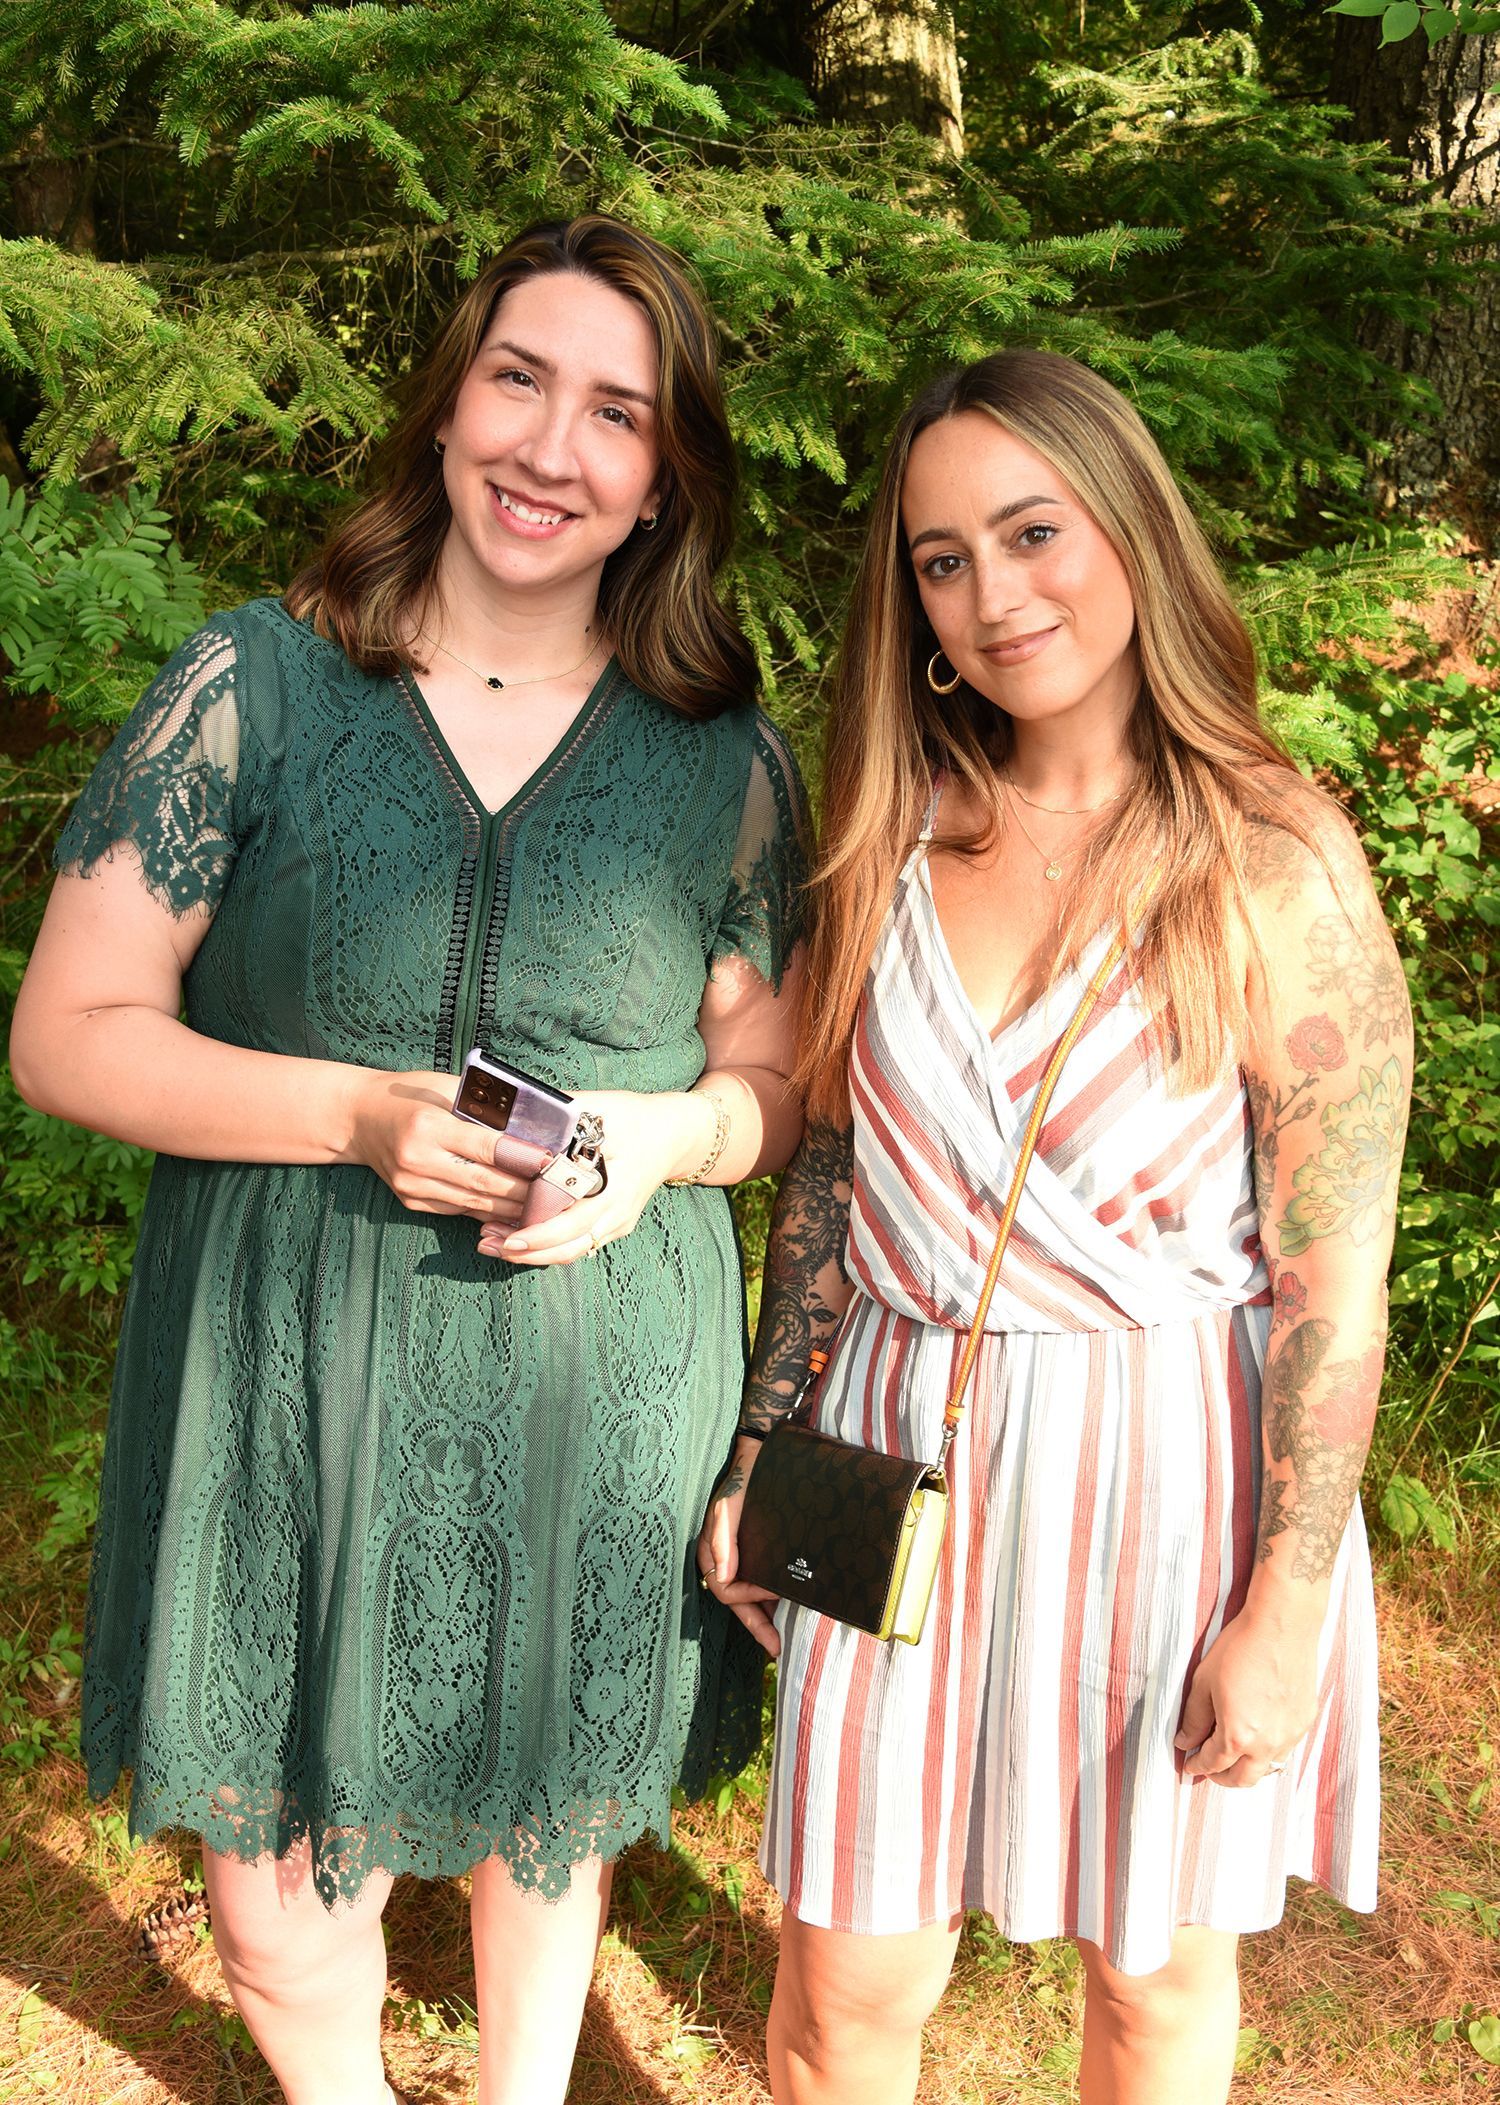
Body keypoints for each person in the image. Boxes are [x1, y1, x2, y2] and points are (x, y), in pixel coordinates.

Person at [10, 215, 808, 2105]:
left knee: (550, 1823)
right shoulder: (259, 684)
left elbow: (770, 1080)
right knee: (276, 1892)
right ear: (449, 398)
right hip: (289, 1352)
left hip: (597, 1377)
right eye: (519, 379)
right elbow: (65, 1031)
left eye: (617, 413)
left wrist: (665, 1139)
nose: (553, 447)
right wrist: (355, 1115)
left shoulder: (724, 754)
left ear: (664, 475)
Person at [700, 348, 1410, 2105]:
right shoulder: (887, 836)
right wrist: (758, 1446)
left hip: (1164, 1473)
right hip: (887, 1447)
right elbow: (832, 1182)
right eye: (943, 558)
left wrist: (1290, 1602)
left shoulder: (1271, 857)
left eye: (1034, 531)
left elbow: (1336, 1275)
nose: (995, 592)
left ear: (1131, 532)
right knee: (844, 1983)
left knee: (1150, 1982)